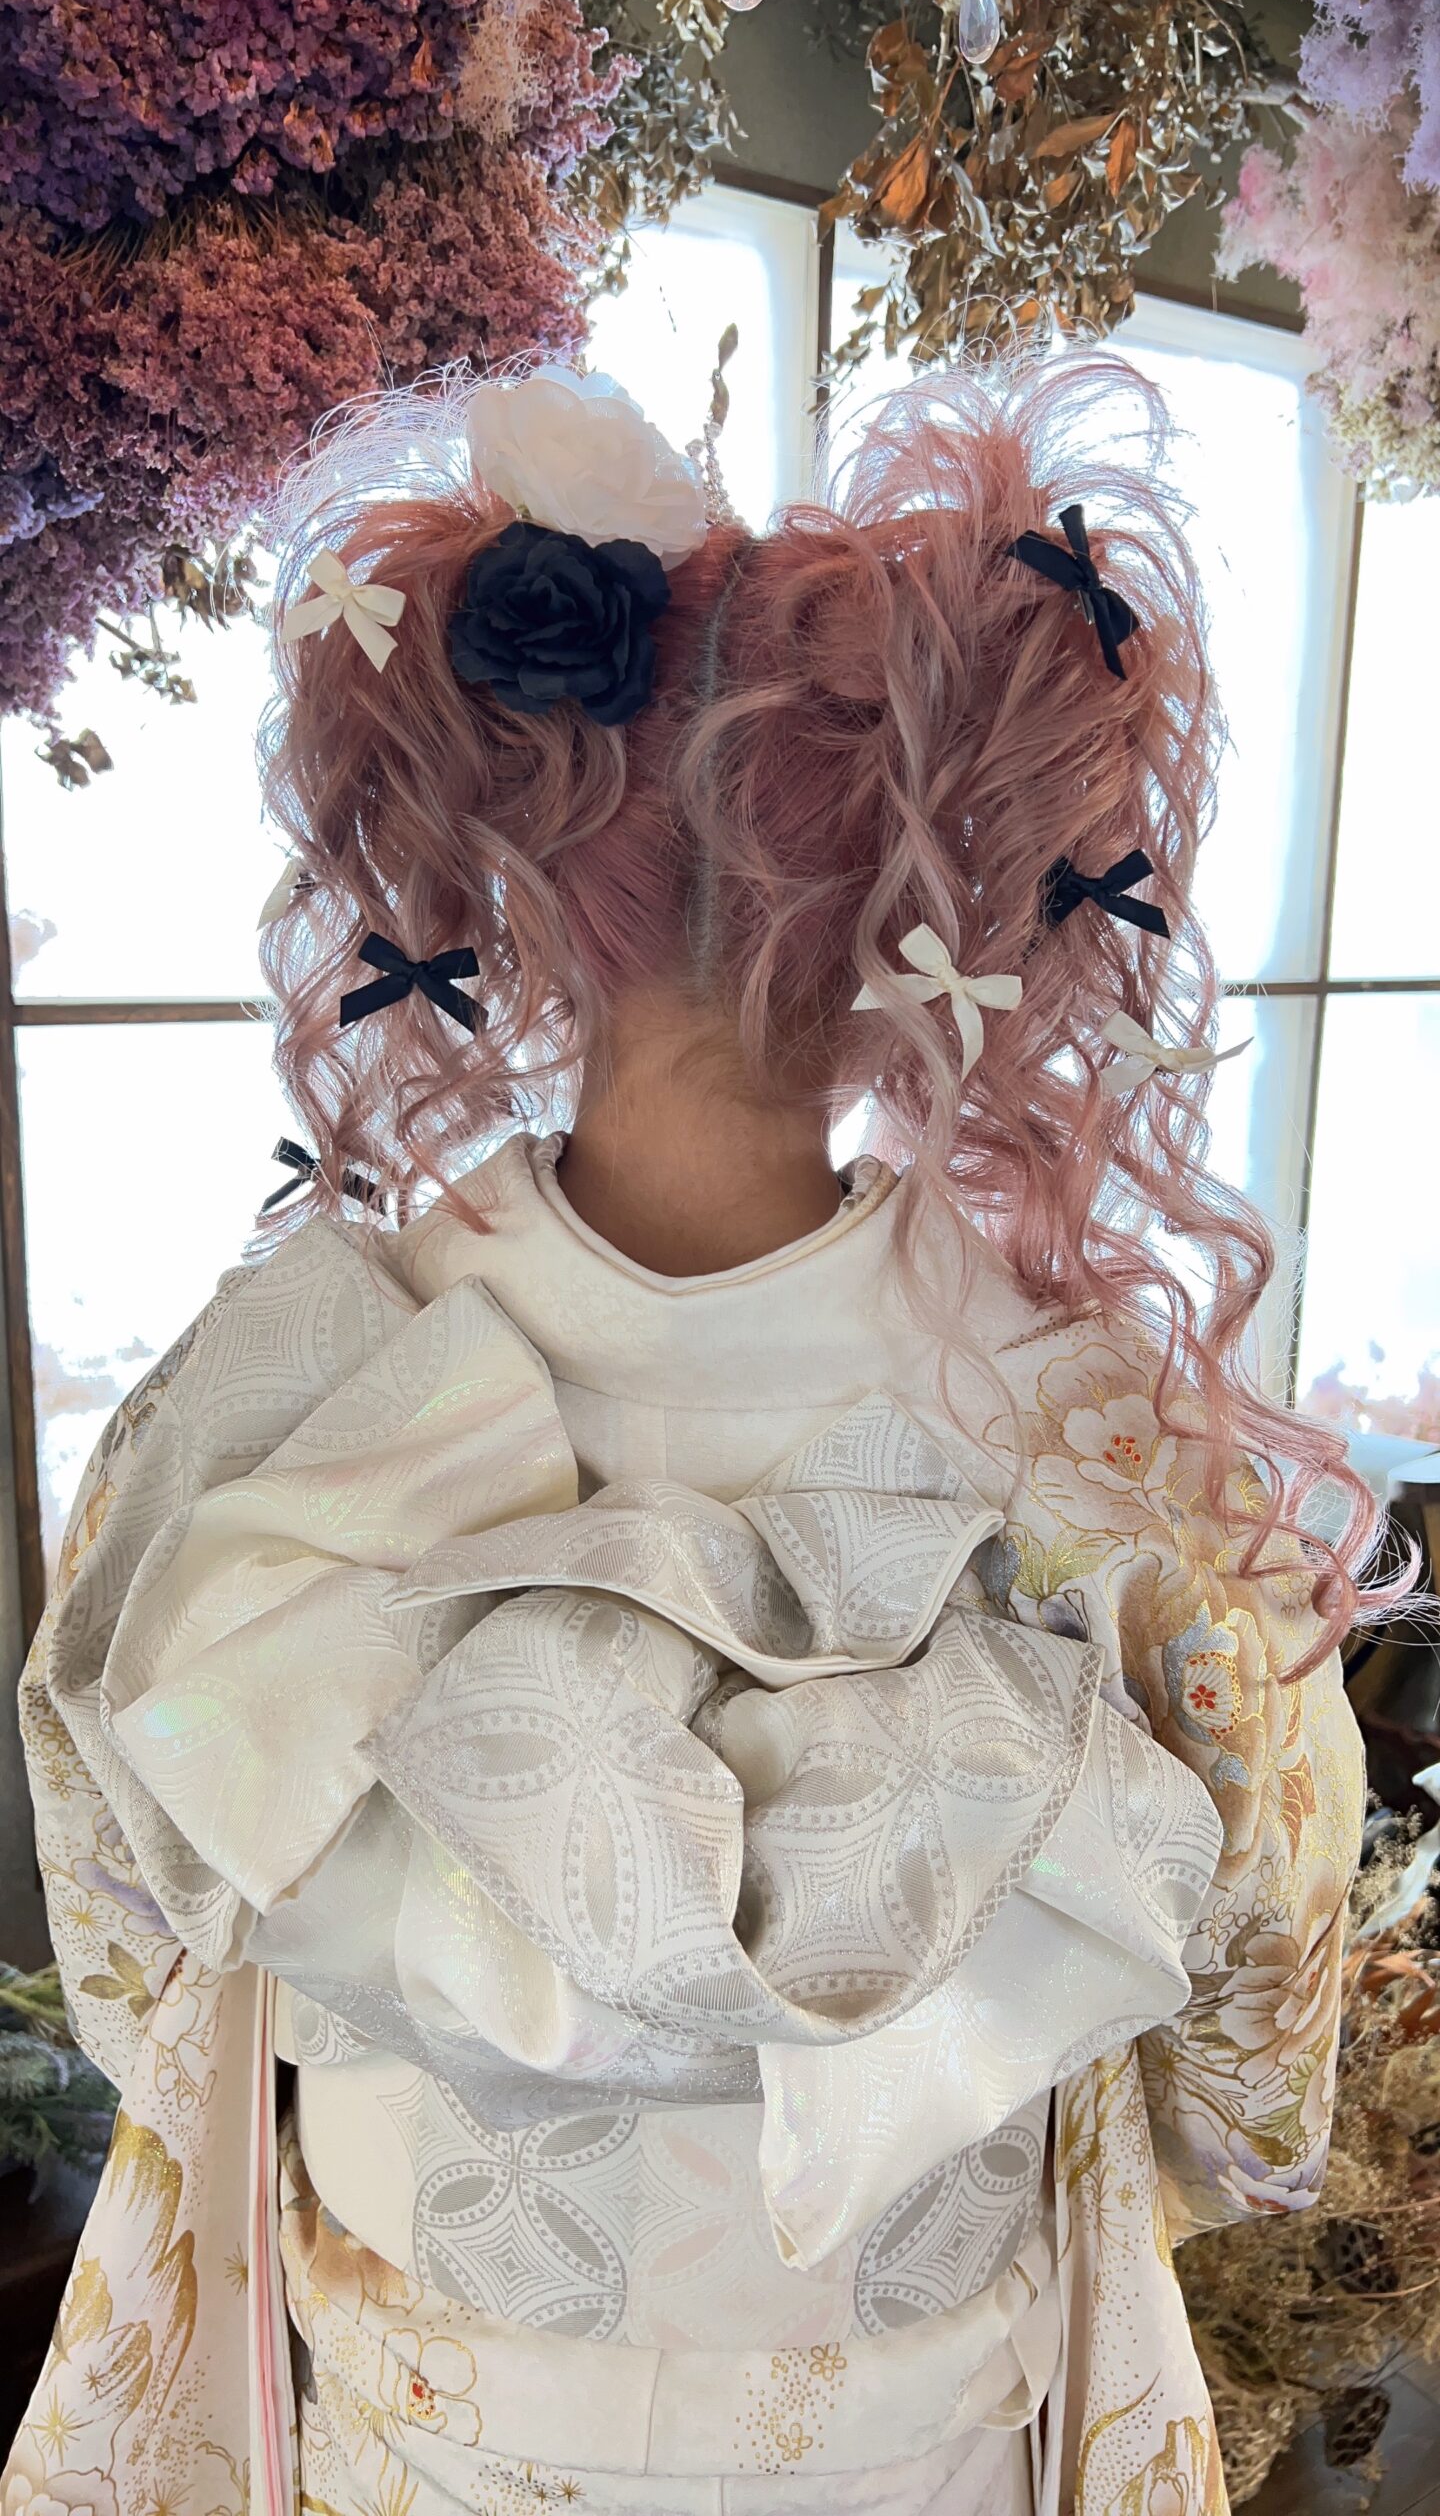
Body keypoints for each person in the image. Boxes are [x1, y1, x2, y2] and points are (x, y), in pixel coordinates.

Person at [11, 354, 1385, 2516]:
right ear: (936, 912)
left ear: (523, 880)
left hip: (422, 2427)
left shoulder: (282, 1388)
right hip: (919, 2435)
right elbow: (1251, 2063)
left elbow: (136, 1928)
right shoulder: (1089, 1439)